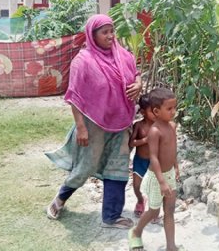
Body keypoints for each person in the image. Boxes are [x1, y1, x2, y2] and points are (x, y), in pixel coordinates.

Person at [45, 14, 142, 229]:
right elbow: (74, 96)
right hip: (93, 124)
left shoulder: (123, 55)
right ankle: (60, 199)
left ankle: (111, 216)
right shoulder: (83, 61)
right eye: (104, 32)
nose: (110, 36)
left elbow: (136, 74)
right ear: (92, 35)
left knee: (117, 168)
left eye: (111, 31)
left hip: (122, 121)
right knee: (85, 166)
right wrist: (81, 128)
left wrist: (138, 84)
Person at [128, 87, 182, 251]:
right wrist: (161, 181)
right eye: (169, 108)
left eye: (175, 108)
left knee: (170, 210)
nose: (173, 112)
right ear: (156, 111)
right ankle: (136, 232)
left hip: (169, 175)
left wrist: (176, 166)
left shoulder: (172, 126)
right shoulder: (154, 131)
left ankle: (171, 247)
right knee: (153, 211)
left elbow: (173, 149)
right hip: (156, 177)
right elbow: (154, 157)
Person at [129, 94, 155, 217]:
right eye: (152, 111)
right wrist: (144, 140)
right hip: (140, 161)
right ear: (143, 112)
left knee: (154, 187)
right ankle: (140, 200)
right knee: (136, 186)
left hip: (154, 162)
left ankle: (154, 209)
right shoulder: (138, 125)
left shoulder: (159, 126)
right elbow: (131, 142)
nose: (156, 113)